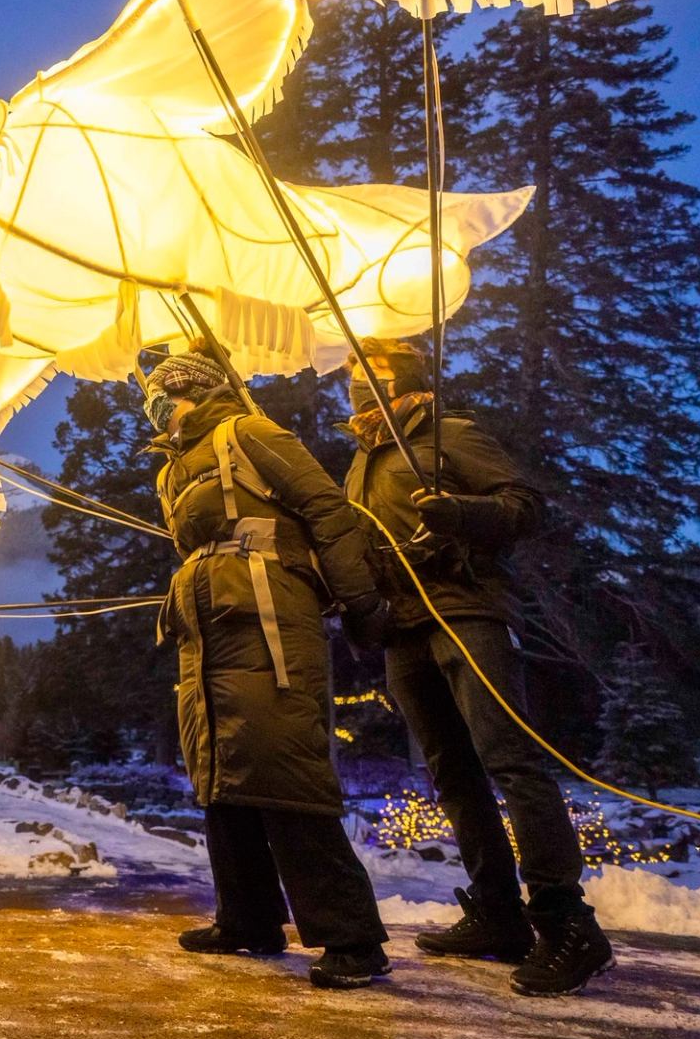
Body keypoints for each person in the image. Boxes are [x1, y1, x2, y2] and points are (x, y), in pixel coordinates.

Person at [342, 336, 612, 997]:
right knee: (453, 775)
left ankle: (567, 921)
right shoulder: (360, 465)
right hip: (404, 631)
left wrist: (462, 513)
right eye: (348, 378)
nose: (353, 389)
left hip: (467, 614)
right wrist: (361, 605)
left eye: (365, 373)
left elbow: (524, 505)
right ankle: (497, 913)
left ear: (399, 376)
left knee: (509, 758)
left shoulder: (447, 434)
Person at [144, 350, 395, 990]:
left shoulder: (250, 435)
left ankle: (352, 938)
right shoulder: (172, 473)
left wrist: (360, 599)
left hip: (268, 615)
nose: (153, 412)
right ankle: (248, 919)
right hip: (208, 629)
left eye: (162, 399)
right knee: (221, 766)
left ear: (192, 395)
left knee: (281, 760)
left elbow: (327, 510)